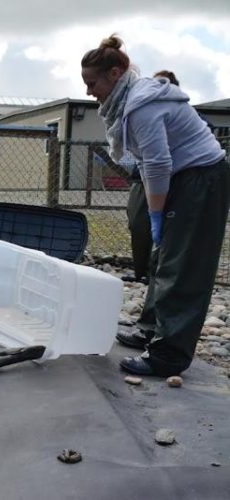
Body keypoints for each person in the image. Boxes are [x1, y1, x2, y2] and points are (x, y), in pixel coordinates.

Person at [81, 35, 229, 377]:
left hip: (200, 179)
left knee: (183, 265)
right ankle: (151, 328)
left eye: (92, 83)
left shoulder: (140, 106)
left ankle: (168, 355)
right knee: (162, 255)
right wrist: (156, 213)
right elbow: (148, 163)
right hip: (184, 176)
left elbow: (158, 164)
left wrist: (158, 213)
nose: (90, 92)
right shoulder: (125, 102)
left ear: (115, 73)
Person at [124, 70, 182, 282]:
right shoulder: (142, 109)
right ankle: (142, 271)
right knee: (139, 225)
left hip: (172, 179)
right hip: (142, 180)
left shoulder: (177, 113)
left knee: (168, 231)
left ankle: (159, 274)